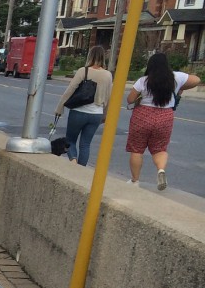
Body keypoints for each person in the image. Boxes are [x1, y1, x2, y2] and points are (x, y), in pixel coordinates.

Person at [125, 52, 201, 190]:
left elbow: (130, 100)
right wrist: (180, 87)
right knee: (159, 149)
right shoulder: (175, 78)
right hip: (165, 116)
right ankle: (161, 170)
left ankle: (135, 181)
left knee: (137, 150)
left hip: (142, 116)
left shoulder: (143, 81)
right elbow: (196, 80)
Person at [53, 45, 112, 167]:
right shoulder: (108, 75)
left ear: (89, 56)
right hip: (96, 113)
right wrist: (105, 115)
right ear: (103, 58)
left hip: (79, 111)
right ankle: (81, 170)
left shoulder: (83, 71)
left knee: (70, 140)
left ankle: (73, 163)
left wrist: (60, 108)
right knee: (85, 144)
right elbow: (108, 97)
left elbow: (70, 90)